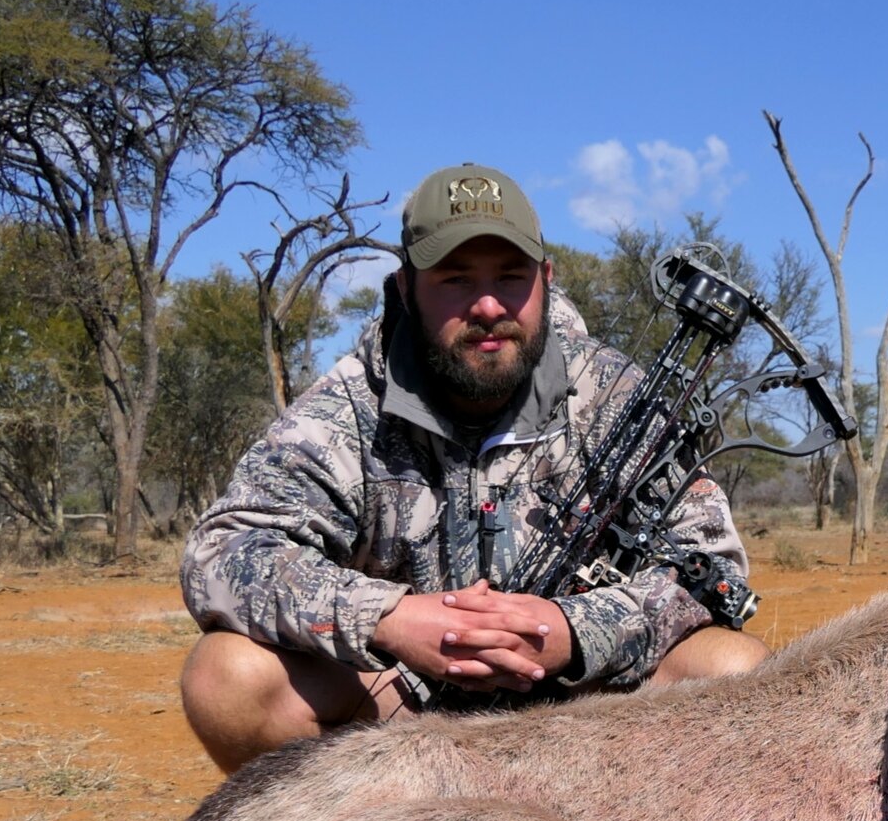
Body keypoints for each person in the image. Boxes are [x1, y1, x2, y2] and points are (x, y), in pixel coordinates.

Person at [179, 163, 766, 773]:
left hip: (587, 712)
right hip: (403, 711)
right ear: (406, 288)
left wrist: (575, 630)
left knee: (734, 670)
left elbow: (712, 569)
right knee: (228, 678)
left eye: (511, 277)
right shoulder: (344, 408)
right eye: (456, 280)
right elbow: (224, 551)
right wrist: (390, 618)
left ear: (545, 279)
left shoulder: (619, 394)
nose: (488, 305)